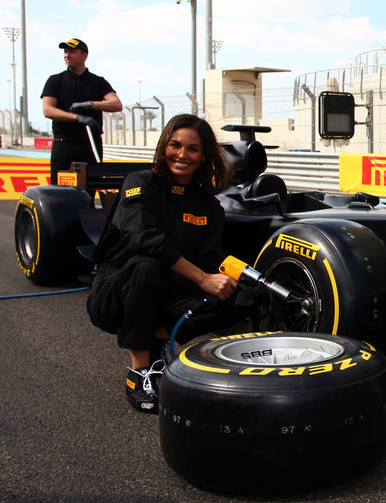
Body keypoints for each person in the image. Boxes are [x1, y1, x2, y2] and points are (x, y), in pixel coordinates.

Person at [87, 114, 238, 414]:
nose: (182, 155)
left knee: (242, 294)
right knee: (147, 265)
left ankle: (160, 334)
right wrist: (202, 279)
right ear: (163, 147)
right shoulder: (139, 182)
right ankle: (139, 371)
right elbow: (142, 240)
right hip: (117, 292)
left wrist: (242, 275)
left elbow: (210, 259)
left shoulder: (209, 207)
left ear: (204, 155)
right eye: (175, 145)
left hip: (167, 292)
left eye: (193, 149)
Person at [41, 38, 123, 182]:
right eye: (65, 52)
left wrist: (91, 104)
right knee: (60, 191)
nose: (67, 55)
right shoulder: (55, 80)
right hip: (64, 143)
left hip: (90, 143)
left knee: (90, 188)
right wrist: (77, 118)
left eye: (72, 51)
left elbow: (116, 104)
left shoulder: (98, 81)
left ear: (84, 55)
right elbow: (48, 110)